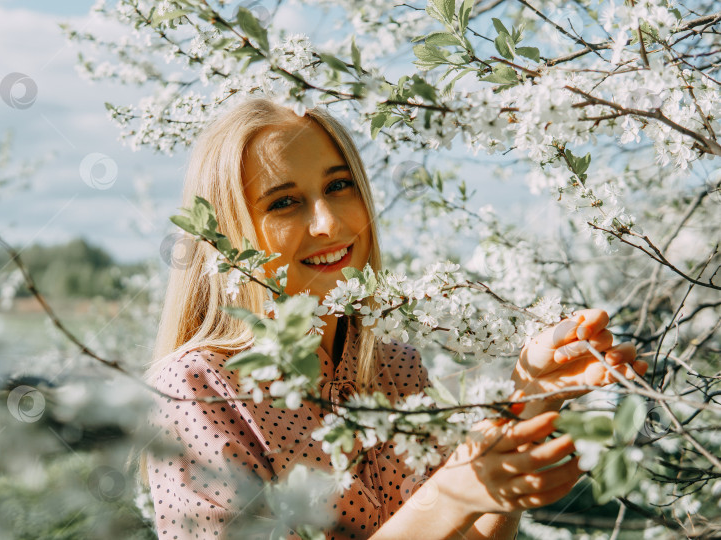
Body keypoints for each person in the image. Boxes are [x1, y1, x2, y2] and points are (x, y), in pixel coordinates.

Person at [139, 96, 648, 539]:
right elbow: (444, 509)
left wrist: (528, 399)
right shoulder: (192, 391)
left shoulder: (395, 369)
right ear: (229, 236)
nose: (330, 223)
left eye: (339, 186)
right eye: (286, 202)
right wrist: (450, 495)